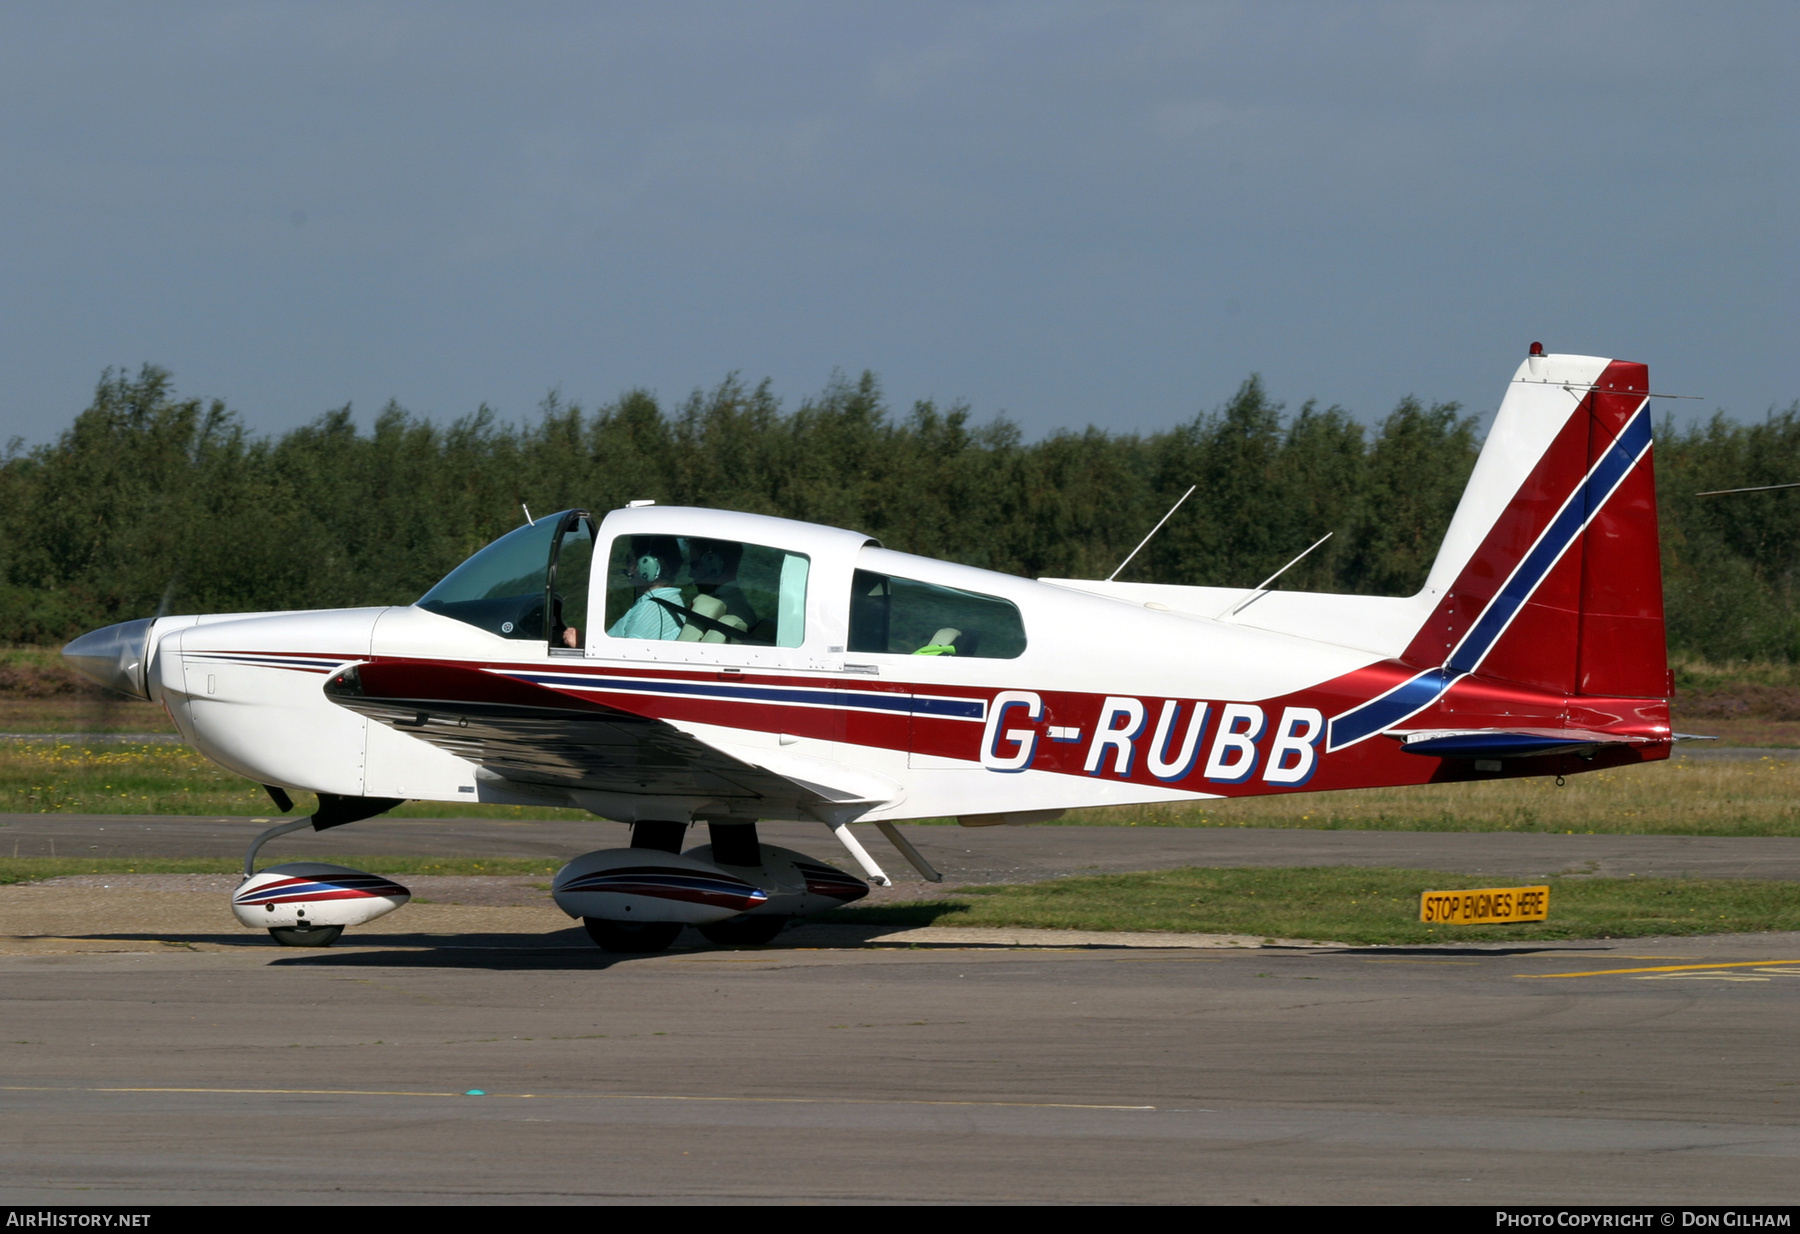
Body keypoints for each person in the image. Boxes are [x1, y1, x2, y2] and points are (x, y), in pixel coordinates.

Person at [606, 537, 687, 640]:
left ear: (647, 565)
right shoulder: (664, 602)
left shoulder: (652, 608)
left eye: (630, 561)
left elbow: (627, 653)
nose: (628, 569)